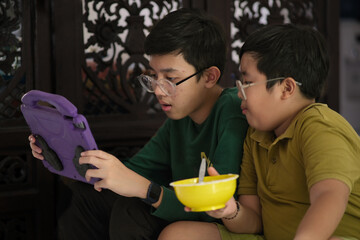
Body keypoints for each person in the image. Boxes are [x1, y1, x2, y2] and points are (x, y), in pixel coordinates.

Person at [28, 8, 249, 240]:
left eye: (170, 79)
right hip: (185, 208)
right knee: (89, 197)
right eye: (153, 76)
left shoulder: (232, 111)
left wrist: (146, 189)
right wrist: (62, 151)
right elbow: (134, 170)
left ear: (209, 77)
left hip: (216, 221)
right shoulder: (181, 115)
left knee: (132, 212)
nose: (157, 89)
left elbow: (214, 208)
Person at [158, 24, 360, 240]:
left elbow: (329, 196)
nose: (239, 94)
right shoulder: (255, 137)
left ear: (286, 88)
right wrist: (230, 210)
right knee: (178, 235)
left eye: (247, 83)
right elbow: (254, 220)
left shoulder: (320, 127)